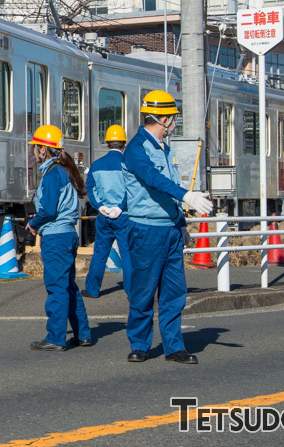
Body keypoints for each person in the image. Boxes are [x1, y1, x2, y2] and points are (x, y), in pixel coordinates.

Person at [122, 90, 214, 365]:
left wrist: (182, 224)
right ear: (162, 118)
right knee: (144, 290)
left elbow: (167, 193)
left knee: (175, 292)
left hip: (170, 229)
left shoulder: (165, 148)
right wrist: (187, 195)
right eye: (172, 118)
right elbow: (152, 179)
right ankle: (139, 344)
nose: (174, 122)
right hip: (147, 229)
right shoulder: (137, 148)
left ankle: (174, 347)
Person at [26, 125, 93, 351]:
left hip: (55, 237)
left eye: (36, 148)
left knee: (56, 287)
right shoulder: (64, 170)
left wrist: (33, 223)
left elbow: (50, 210)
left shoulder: (52, 173)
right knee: (69, 286)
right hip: (68, 234)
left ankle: (55, 338)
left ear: (44, 150)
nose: (34, 152)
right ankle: (82, 333)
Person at [83, 125, 132, 298]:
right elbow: (132, 190)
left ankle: (92, 289)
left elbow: (90, 187)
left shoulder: (96, 165)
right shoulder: (128, 165)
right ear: (124, 144)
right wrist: (120, 206)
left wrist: (100, 206)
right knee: (127, 254)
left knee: (100, 253)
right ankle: (131, 292)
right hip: (124, 216)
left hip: (103, 216)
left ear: (107, 144)